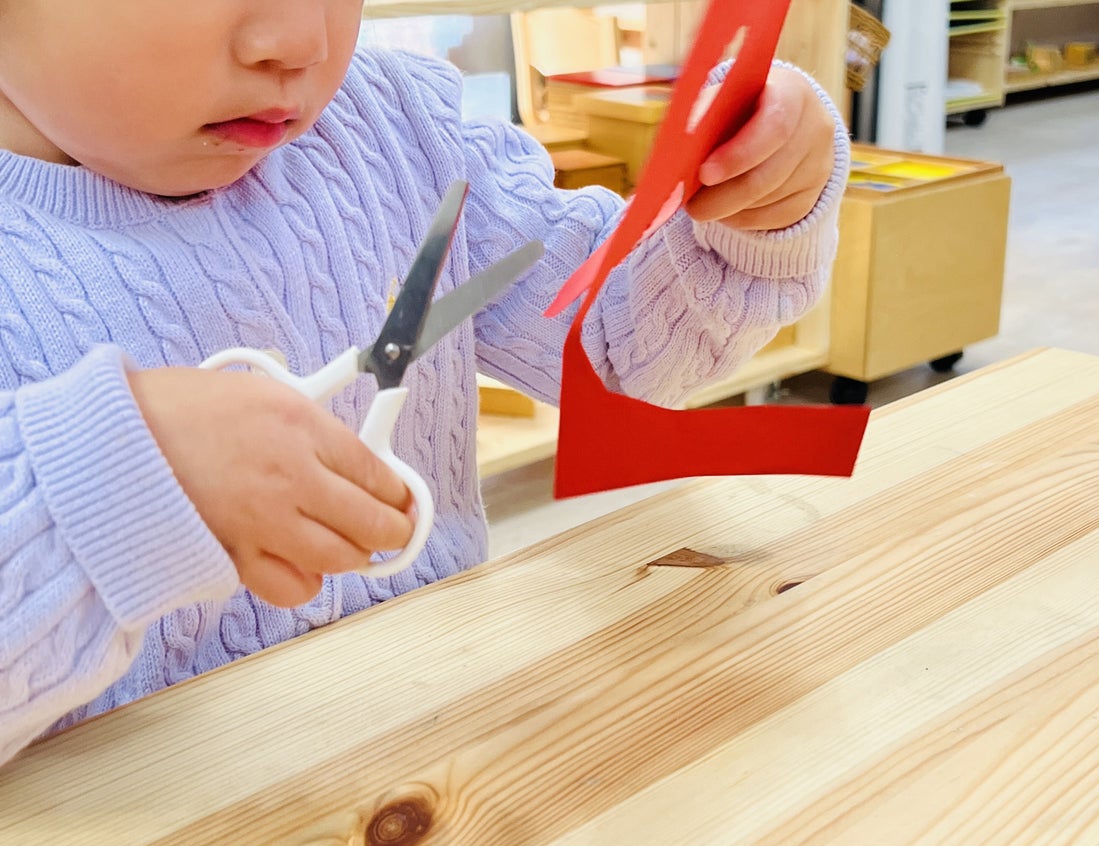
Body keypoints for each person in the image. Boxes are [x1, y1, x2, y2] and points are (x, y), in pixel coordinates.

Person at [0, 1, 848, 766]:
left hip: (448, 778)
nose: (300, 40)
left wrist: (748, 204)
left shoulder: (397, 124)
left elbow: (624, 350)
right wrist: (111, 490)